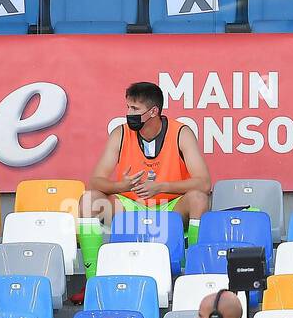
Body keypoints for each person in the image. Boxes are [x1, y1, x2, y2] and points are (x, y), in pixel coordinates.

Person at [83, 81, 211, 230]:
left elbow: (204, 184)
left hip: (170, 207)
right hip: (130, 207)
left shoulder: (181, 133)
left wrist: (161, 187)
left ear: (153, 111)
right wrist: (121, 186)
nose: (129, 113)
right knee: (89, 199)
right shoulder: (120, 133)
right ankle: (92, 254)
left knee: (199, 199)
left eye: (135, 109)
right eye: (128, 107)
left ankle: (195, 253)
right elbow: (94, 182)